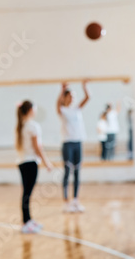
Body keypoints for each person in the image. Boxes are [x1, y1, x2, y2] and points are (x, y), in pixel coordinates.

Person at [15, 100, 53, 233]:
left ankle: (28, 220)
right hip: (30, 163)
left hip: (22, 162)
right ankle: (26, 222)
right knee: (27, 193)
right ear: (31, 110)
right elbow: (38, 147)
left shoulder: (22, 125)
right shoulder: (32, 126)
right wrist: (47, 162)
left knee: (26, 193)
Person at [57, 80, 89, 213]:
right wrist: (62, 89)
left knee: (77, 172)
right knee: (67, 172)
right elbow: (57, 105)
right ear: (65, 97)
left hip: (78, 142)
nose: (72, 98)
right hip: (67, 143)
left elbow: (88, 97)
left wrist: (85, 86)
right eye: (70, 96)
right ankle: (66, 202)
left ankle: (75, 200)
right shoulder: (63, 110)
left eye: (74, 96)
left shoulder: (77, 109)